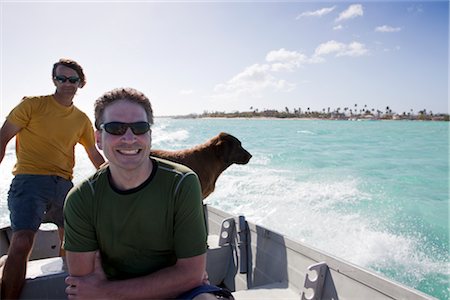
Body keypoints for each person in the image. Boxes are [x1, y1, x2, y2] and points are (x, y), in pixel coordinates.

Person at [63, 88, 233, 299]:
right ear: (98, 138)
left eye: (140, 128)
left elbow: (192, 275)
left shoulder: (182, 183)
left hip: (176, 294)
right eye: (116, 128)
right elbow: (84, 288)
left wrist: (106, 291)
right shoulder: (81, 198)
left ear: (149, 136)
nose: (129, 138)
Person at [0, 58, 105, 299]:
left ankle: (63, 293)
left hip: (64, 187)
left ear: (81, 83)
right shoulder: (32, 106)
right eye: (61, 78)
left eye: (72, 79)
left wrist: (122, 178)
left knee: (73, 242)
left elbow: (93, 154)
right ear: (53, 80)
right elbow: (3, 137)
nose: (66, 84)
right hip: (29, 182)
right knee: (23, 241)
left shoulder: (81, 119)